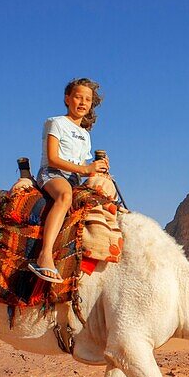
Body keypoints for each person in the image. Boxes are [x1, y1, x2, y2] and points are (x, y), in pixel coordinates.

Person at [28, 78, 110, 283]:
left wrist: (97, 169)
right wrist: (86, 168)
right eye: (78, 97)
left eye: (88, 99)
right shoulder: (55, 123)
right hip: (53, 174)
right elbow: (54, 157)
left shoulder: (85, 134)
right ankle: (45, 254)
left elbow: (82, 166)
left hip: (73, 177)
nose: (83, 102)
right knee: (65, 196)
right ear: (67, 98)